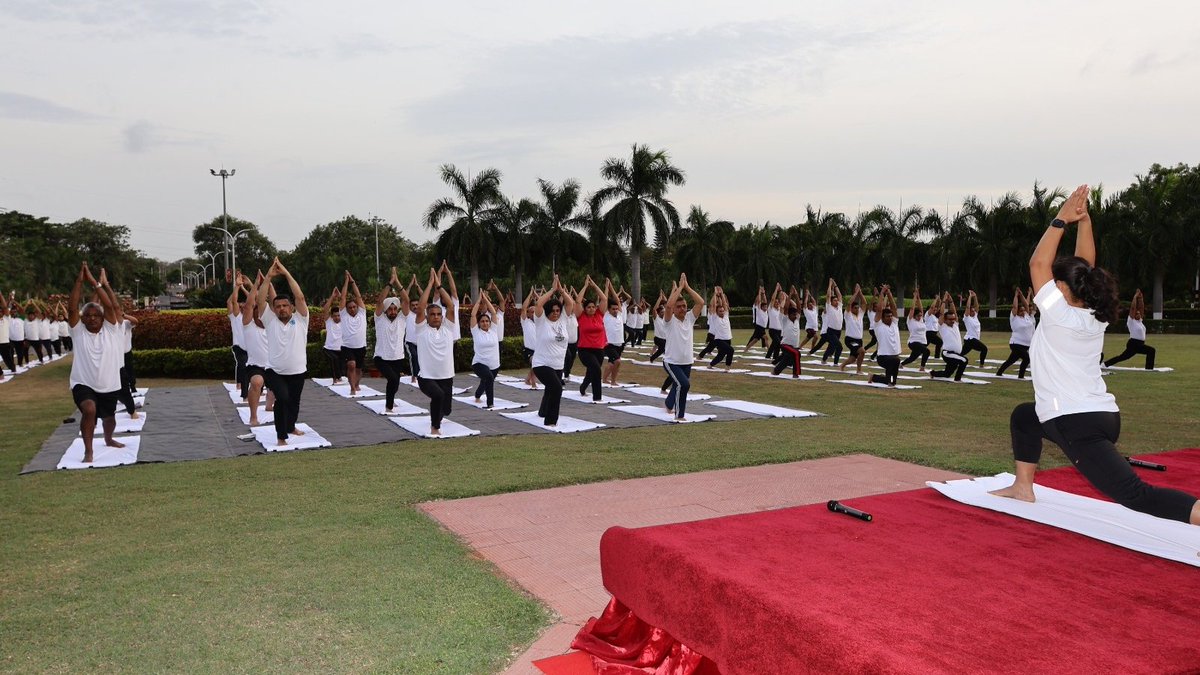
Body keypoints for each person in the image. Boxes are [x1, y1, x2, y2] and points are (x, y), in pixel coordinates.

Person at [989, 184, 1198, 526]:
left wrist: (1060, 218)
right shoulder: (1093, 313)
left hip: (1075, 422)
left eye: (1057, 282)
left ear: (1064, 291)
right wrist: (1084, 220)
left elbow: (1037, 262)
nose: (1052, 284)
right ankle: (1022, 487)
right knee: (1024, 417)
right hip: (1102, 415)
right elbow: (1085, 265)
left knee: (1135, 494)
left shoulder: (1058, 314)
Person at [67, 262, 127, 463]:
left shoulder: (111, 329)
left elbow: (110, 306)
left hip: (109, 383)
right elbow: (72, 307)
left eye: (96, 316)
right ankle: (88, 451)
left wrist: (95, 283)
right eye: (88, 316)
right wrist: (79, 280)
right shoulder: (78, 332)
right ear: (83, 320)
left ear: (103, 319)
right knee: (90, 409)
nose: (92, 319)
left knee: (109, 417)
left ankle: (109, 439)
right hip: (83, 383)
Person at [258, 258, 309, 446]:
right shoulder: (270, 320)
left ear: (292, 307)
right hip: (275, 371)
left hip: (298, 371)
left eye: (285, 305)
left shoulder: (302, 319)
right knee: (283, 399)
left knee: (294, 402)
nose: (281, 309)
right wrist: (269, 277)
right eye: (278, 306)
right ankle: (281, 436)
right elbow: (260, 300)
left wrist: (286, 274)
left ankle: (290, 426)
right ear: (274, 309)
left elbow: (300, 297)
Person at [414, 267, 460, 436]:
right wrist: (430, 284)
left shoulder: (448, 328)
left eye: (438, 314)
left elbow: (450, 305)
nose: (435, 316)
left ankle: (438, 418)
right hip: (426, 376)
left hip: (446, 375)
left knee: (446, 410)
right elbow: (420, 307)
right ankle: (435, 427)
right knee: (438, 396)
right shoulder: (421, 330)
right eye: (432, 314)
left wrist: (439, 286)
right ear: (427, 317)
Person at [531, 276, 574, 427]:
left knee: (550, 389)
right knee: (556, 388)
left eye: (558, 310)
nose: (555, 313)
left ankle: (543, 411)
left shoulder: (563, 319)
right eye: (553, 310)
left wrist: (561, 290)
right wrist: (552, 290)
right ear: (548, 311)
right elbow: (539, 303)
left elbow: (570, 303)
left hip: (557, 364)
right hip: (541, 363)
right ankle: (550, 421)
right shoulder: (541, 321)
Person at [661, 274, 705, 422]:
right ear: (674, 309)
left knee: (678, 385)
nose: (682, 308)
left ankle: (668, 404)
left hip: (687, 361)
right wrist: (679, 288)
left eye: (684, 306)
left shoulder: (690, 318)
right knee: (684, 384)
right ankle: (679, 416)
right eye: (678, 307)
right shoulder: (669, 320)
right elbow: (668, 305)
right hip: (671, 361)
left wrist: (687, 287)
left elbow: (700, 302)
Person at [373, 268, 410, 414]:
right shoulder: (379, 318)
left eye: (395, 309)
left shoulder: (402, 318)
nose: (393, 311)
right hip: (381, 358)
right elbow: (380, 301)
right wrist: (390, 282)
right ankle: (388, 407)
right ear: (386, 310)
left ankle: (391, 400)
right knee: (394, 379)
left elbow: (406, 300)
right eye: (390, 309)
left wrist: (397, 281)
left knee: (395, 383)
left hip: (398, 357)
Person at [241, 271, 275, 426]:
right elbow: (248, 305)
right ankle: (253, 417)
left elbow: (274, 301)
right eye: (257, 313)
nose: (260, 315)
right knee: (256, 382)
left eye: (262, 313)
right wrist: (255, 283)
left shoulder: (273, 325)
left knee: (276, 391)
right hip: (256, 366)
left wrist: (268, 279)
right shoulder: (249, 326)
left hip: (274, 365)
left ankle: (269, 406)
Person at [575, 276, 608, 403]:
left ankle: (583, 387)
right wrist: (585, 286)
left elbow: (604, 298)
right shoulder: (581, 316)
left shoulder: (600, 314)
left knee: (592, 371)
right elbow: (577, 302)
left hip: (599, 349)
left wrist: (594, 286)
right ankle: (597, 397)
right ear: (585, 308)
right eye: (588, 307)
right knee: (596, 369)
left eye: (593, 307)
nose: (591, 309)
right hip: (585, 350)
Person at [1104, 289, 1156, 370]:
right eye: (1137, 313)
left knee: (1123, 357)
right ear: (1134, 315)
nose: (1139, 314)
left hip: (1139, 344)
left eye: (1139, 313)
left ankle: (1106, 364)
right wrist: (1135, 297)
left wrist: (1141, 298)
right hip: (1134, 344)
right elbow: (1132, 308)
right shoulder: (1131, 321)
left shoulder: (1139, 321)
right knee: (1151, 351)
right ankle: (1149, 369)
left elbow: (1141, 308)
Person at [338, 271, 368, 396]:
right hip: (347, 346)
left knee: (358, 368)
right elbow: (343, 297)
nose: (352, 309)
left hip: (361, 346)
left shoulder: (362, 313)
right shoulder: (343, 315)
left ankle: (356, 384)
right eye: (349, 307)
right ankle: (352, 388)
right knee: (351, 364)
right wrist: (346, 281)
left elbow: (359, 296)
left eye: (354, 307)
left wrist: (352, 282)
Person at [470, 291, 502, 408]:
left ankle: (478, 395)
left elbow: (493, 313)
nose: (485, 323)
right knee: (488, 378)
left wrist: (486, 300)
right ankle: (490, 403)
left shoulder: (493, 330)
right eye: (482, 321)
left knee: (486, 382)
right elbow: (473, 315)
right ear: (479, 323)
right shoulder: (476, 332)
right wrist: (479, 300)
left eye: (487, 321)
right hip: (479, 363)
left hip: (494, 364)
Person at [996, 288, 1035, 379]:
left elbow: (1026, 304)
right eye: (1020, 311)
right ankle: (1021, 376)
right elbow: (1014, 307)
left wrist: (1021, 295)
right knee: (1027, 358)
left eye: (1023, 310)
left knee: (1011, 360)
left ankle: (999, 372)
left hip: (1025, 345)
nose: (1023, 312)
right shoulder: (1014, 318)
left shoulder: (1027, 316)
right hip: (1016, 344)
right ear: (1017, 312)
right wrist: (1016, 296)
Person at [867, 287, 902, 386]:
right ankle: (887, 380)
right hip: (882, 357)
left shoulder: (895, 323)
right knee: (896, 361)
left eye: (891, 316)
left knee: (890, 381)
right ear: (882, 317)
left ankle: (874, 377)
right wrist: (882, 293)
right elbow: (879, 309)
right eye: (887, 316)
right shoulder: (878, 325)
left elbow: (894, 307)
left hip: (894, 355)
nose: (890, 317)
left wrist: (889, 293)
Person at [930, 293, 968, 381]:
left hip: (955, 354)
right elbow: (942, 313)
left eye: (953, 319)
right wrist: (944, 301)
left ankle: (933, 373)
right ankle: (958, 379)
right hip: (948, 353)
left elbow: (954, 312)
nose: (952, 321)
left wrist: (951, 301)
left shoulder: (955, 325)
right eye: (950, 319)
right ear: (945, 320)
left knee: (947, 374)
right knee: (964, 360)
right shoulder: (942, 326)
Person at [227, 274, 251, 398]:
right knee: (242, 366)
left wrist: (244, 288)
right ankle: (243, 391)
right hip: (238, 346)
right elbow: (232, 301)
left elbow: (254, 300)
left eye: (244, 305)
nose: (242, 306)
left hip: (251, 347)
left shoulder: (250, 317)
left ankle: (250, 388)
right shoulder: (236, 316)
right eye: (240, 305)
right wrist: (237, 287)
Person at [701, 287, 735, 369]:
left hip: (728, 339)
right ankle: (728, 367)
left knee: (721, 355)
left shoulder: (726, 316)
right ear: (717, 312)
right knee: (731, 350)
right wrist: (715, 294)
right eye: (720, 311)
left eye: (723, 311)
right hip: (719, 339)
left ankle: (710, 365)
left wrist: (722, 294)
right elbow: (712, 305)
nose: (722, 312)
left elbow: (724, 304)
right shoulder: (715, 317)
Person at [812, 278, 845, 365]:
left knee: (832, 347)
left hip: (838, 331)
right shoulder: (829, 307)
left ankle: (824, 359)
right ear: (831, 302)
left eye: (837, 300)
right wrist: (830, 284)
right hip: (831, 331)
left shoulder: (840, 307)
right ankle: (836, 363)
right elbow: (828, 296)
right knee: (839, 347)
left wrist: (835, 285)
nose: (837, 301)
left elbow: (840, 296)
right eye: (834, 300)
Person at [771, 293, 804, 378]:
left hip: (794, 346)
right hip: (785, 345)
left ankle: (776, 371)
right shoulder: (785, 319)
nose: (795, 316)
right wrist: (789, 295)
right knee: (796, 353)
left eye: (796, 314)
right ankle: (795, 374)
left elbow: (799, 307)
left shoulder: (797, 320)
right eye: (793, 314)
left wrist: (796, 295)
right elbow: (785, 308)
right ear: (789, 315)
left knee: (788, 358)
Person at [602, 278, 626, 386]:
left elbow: (616, 299)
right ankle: (612, 380)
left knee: (612, 363)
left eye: (617, 308)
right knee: (617, 361)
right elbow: (605, 299)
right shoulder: (606, 315)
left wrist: (612, 287)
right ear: (609, 309)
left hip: (619, 342)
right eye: (613, 309)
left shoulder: (620, 314)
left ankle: (606, 379)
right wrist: (607, 288)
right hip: (609, 343)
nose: (616, 310)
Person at [900, 288, 930, 371]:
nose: (920, 317)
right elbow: (912, 309)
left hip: (923, 342)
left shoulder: (921, 320)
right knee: (927, 351)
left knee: (912, 358)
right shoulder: (910, 320)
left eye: (921, 315)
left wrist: (918, 297)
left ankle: (901, 364)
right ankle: (922, 367)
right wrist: (914, 297)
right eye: (918, 316)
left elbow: (921, 308)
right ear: (914, 316)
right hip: (913, 342)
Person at [839, 285, 867, 374]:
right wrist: (855, 293)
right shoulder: (848, 314)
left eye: (858, 308)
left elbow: (864, 303)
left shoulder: (860, 314)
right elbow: (849, 303)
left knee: (853, 358)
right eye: (855, 308)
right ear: (851, 308)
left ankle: (842, 366)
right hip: (850, 339)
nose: (857, 309)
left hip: (859, 340)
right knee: (862, 351)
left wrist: (860, 292)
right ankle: (859, 370)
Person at [960, 290, 988, 367]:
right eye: (971, 311)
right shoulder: (966, 318)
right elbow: (968, 307)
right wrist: (970, 297)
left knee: (961, 353)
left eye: (973, 311)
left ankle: (953, 359)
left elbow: (976, 306)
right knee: (984, 349)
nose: (973, 311)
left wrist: (975, 296)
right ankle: (981, 365)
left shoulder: (975, 316)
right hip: (970, 339)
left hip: (971, 340)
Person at [519, 288, 539, 389]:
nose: (533, 314)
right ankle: (533, 383)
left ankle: (527, 379)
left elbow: (542, 307)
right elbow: (523, 308)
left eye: (535, 312)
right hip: (528, 349)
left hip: (539, 349)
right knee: (535, 363)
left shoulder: (540, 323)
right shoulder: (525, 322)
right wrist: (530, 294)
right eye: (531, 312)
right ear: (528, 313)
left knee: (536, 365)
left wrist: (538, 297)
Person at [404, 274, 421, 384]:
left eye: (417, 304)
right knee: (413, 356)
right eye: (413, 305)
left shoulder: (423, 313)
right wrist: (410, 285)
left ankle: (421, 375)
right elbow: (404, 298)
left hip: (421, 341)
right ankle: (414, 376)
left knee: (422, 358)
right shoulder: (407, 314)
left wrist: (418, 286)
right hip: (410, 342)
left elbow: (424, 296)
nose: (415, 306)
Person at [742, 286, 770, 353]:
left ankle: (746, 349)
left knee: (755, 339)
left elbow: (765, 301)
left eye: (766, 306)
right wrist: (759, 292)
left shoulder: (765, 311)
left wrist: (763, 294)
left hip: (762, 327)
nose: (766, 307)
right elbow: (758, 301)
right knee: (766, 338)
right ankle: (770, 351)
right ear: (761, 307)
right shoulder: (759, 310)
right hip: (759, 326)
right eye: (764, 307)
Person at [764, 283, 784, 361]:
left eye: (777, 302)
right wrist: (776, 289)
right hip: (773, 330)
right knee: (778, 343)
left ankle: (768, 356)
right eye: (775, 302)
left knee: (774, 344)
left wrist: (781, 291)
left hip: (780, 331)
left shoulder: (780, 310)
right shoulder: (771, 309)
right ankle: (775, 357)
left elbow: (782, 299)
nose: (776, 303)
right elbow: (772, 299)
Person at [798, 288, 821, 352]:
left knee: (807, 338)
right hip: (809, 328)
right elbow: (805, 303)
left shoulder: (815, 310)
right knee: (816, 337)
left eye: (811, 305)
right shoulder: (806, 311)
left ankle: (799, 347)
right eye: (809, 305)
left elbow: (814, 301)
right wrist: (807, 296)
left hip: (814, 328)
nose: (811, 305)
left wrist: (810, 295)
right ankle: (812, 348)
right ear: (808, 306)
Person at [648, 292, 668, 363]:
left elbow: (667, 305)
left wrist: (664, 297)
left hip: (665, 338)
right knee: (662, 349)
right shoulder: (656, 318)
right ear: (658, 313)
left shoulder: (665, 318)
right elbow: (654, 309)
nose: (663, 313)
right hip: (658, 339)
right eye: (662, 312)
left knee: (666, 349)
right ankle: (652, 358)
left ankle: (666, 359)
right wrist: (660, 298)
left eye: (664, 312)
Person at [924, 294, 944, 359]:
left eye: (935, 310)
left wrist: (939, 301)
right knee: (940, 342)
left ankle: (917, 352)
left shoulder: (935, 316)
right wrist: (936, 299)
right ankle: (937, 356)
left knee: (924, 345)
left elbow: (938, 308)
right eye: (933, 310)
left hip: (933, 333)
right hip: (929, 333)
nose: (935, 311)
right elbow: (932, 307)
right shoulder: (928, 315)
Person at [0, 301, 13, 375]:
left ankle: (12, 368)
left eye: (0, 311)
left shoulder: (6, 318)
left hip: (5, 343)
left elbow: (5, 307)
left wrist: (1, 295)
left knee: (7, 360)